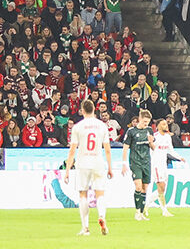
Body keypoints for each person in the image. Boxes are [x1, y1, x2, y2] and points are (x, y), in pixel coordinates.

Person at [64, 99, 113, 236]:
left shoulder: (78, 127)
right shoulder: (102, 126)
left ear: (82, 110)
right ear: (94, 109)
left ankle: (85, 228)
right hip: (98, 161)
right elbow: (107, 149)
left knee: (83, 194)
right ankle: (102, 216)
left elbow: (72, 150)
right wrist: (109, 167)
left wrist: (67, 170)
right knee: (100, 193)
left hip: (83, 162)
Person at [125, 110, 154, 221]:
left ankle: (141, 213)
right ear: (140, 119)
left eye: (148, 122)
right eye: (145, 121)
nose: (146, 124)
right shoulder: (131, 131)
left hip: (146, 162)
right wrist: (124, 163)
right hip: (135, 161)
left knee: (144, 189)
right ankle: (137, 212)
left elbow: (153, 147)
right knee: (138, 186)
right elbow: (125, 147)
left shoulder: (149, 130)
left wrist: (151, 142)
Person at [149, 119, 180, 216]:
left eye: (166, 124)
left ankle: (145, 205)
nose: (165, 125)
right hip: (156, 165)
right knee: (161, 186)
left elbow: (171, 150)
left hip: (164, 165)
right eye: (163, 124)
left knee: (162, 189)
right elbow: (151, 149)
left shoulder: (167, 137)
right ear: (158, 126)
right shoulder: (155, 137)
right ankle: (164, 210)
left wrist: (180, 157)